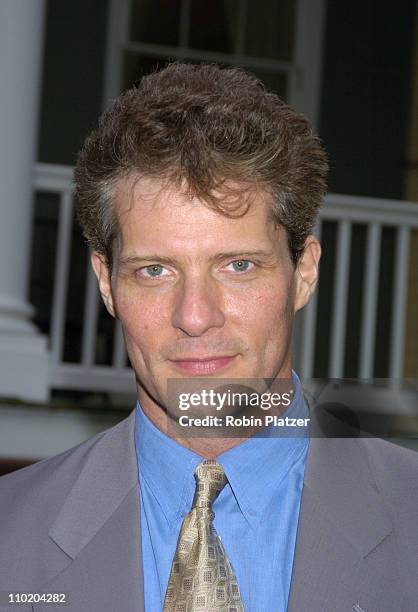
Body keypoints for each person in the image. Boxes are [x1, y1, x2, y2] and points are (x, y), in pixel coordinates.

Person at [0, 63, 417, 612]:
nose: (195, 317)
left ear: (304, 273)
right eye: (155, 270)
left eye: (238, 265)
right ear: (106, 284)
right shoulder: (11, 532)